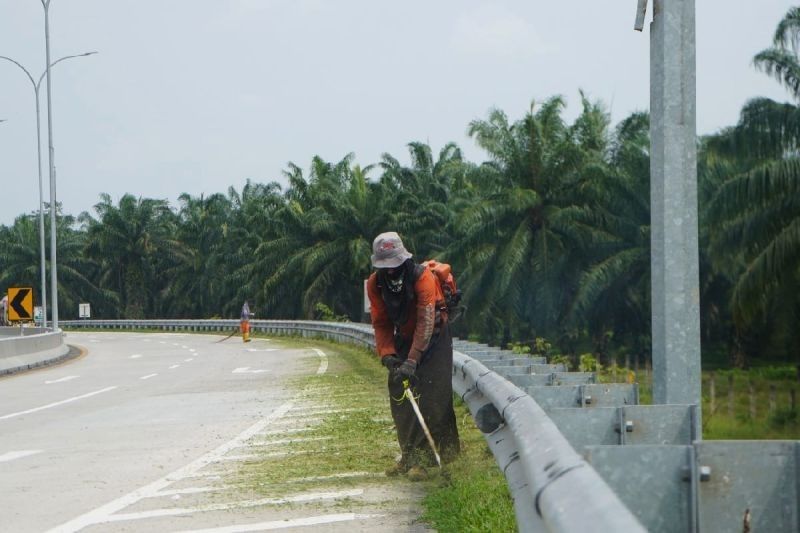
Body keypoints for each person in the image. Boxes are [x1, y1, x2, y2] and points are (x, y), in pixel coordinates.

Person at [366, 231, 460, 481]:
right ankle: (409, 455)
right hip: (405, 336)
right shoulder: (374, 284)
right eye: (386, 267)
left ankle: (430, 460)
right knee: (399, 392)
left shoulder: (422, 278)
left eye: (395, 265)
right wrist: (388, 355)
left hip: (435, 336)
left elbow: (426, 322)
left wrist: (413, 359)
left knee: (432, 395)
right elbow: (381, 322)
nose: (392, 271)